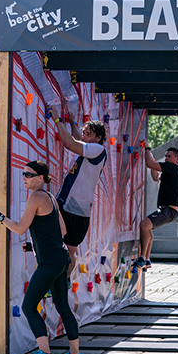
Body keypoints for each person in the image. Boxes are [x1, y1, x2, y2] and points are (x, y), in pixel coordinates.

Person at [0, 161, 83, 354]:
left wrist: (1, 217)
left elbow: (21, 228)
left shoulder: (36, 197)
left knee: (29, 305)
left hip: (49, 262)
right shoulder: (49, 197)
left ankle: (45, 353)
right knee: (62, 307)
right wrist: (35, 247)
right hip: (60, 259)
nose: (24, 178)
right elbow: (62, 230)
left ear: (41, 177)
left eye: (29, 175)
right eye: (23, 174)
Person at [49, 106, 107, 279]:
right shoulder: (89, 145)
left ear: (98, 138)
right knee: (59, 246)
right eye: (85, 132)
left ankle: (64, 281)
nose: (84, 135)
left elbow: (69, 142)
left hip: (77, 209)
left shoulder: (98, 149)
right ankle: (58, 280)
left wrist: (57, 120)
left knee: (70, 251)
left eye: (89, 134)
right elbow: (76, 137)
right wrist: (74, 122)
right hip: (66, 202)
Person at [133, 147, 178, 270]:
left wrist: (147, 149)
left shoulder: (172, 168)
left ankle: (142, 258)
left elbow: (149, 164)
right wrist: (152, 158)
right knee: (148, 230)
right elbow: (155, 176)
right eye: (165, 156)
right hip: (169, 211)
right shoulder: (169, 172)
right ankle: (148, 259)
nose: (166, 158)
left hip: (168, 210)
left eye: (169, 156)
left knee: (144, 225)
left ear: (177, 159)